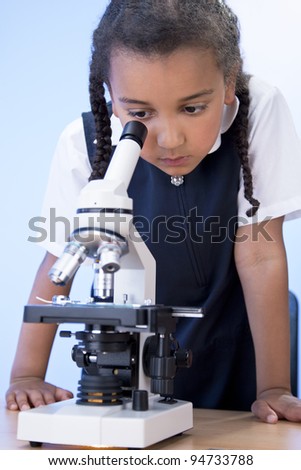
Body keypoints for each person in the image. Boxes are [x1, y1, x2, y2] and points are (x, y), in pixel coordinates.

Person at [6, 0, 301, 423]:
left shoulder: (258, 109)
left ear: (228, 81)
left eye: (192, 108)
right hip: (134, 361)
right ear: (111, 96)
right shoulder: (83, 142)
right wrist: (25, 376)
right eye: (140, 114)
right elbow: (58, 259)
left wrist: (274, 387)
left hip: (241, 350)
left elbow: (259, 253)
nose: (169, 138)